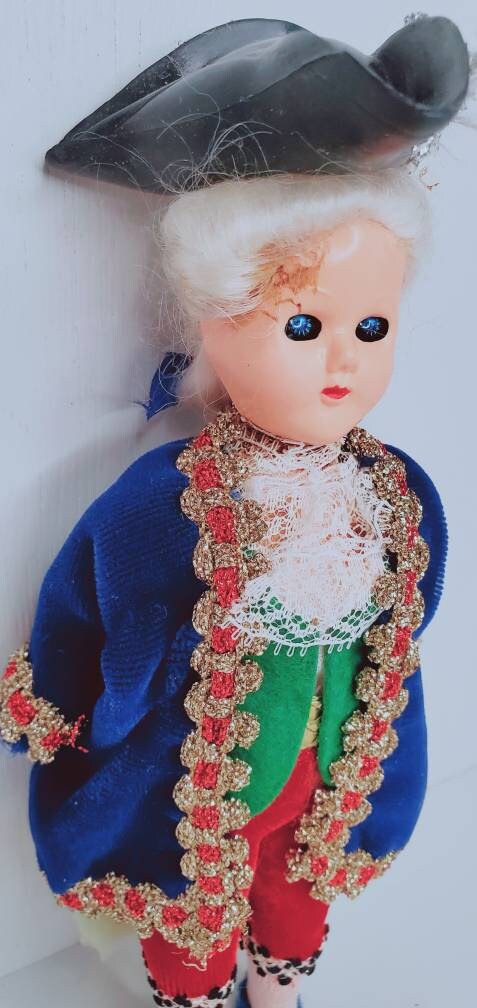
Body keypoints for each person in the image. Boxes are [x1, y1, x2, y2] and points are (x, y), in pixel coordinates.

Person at [0, 14, 469, 1008]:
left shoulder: (399, 489)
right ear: (214, 324)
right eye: (301, 325)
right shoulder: (166, 502)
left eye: (370, 326)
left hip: (326, 779)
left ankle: (279, 987)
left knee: (297, 899)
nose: (342, 359)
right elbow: (89, 604)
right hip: (200, 788)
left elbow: (408, 623)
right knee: (192, 919)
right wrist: (68, 707)